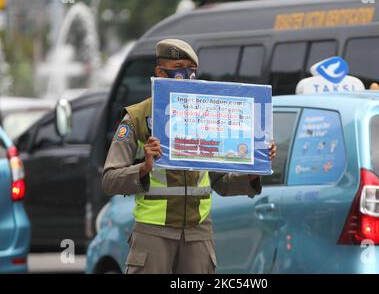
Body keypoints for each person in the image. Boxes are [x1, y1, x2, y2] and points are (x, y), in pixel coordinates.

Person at [102, 39, 277, 274]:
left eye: (192, 69)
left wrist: (254, 171)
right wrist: (144, 168)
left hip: (198, 233)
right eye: (180, 66)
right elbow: (110, 180)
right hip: (153, 232)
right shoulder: (136, 118)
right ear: (160, 73)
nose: (187, 74)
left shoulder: (204, 115)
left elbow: (221, 183)